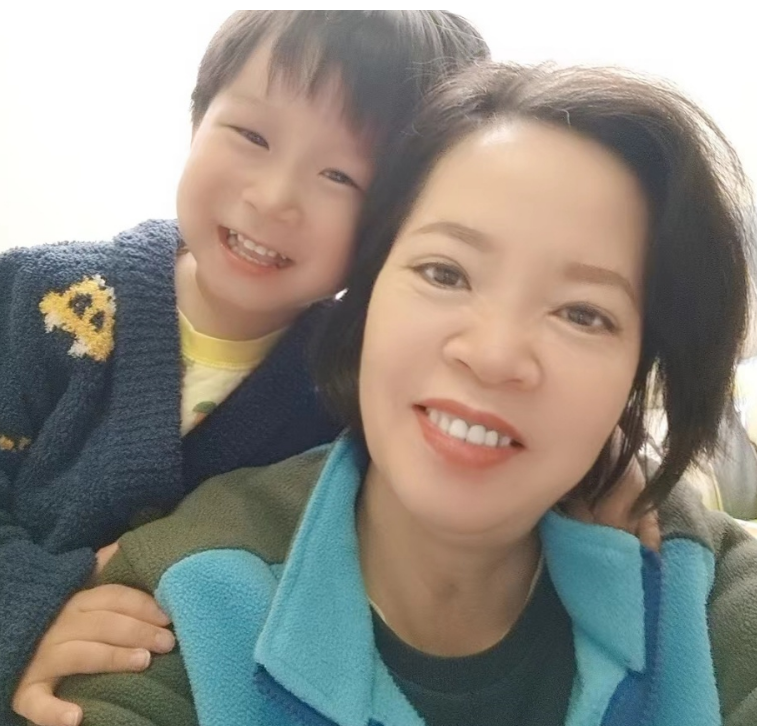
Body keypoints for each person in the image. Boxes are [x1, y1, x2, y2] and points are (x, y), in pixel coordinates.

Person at [50, 61, 757, 725]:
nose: (493, 356)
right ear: (364, 296)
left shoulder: (708, 593)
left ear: (639, 368)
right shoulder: (174, 606)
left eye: (582, 314)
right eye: (445, 273)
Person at [1, 11, 492, 726]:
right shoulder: (39, 300)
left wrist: (597, 477)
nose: (274, 197)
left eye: (340, 175)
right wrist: (29, 610)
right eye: (252, 136)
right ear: (197, 119)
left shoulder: (358, 383)